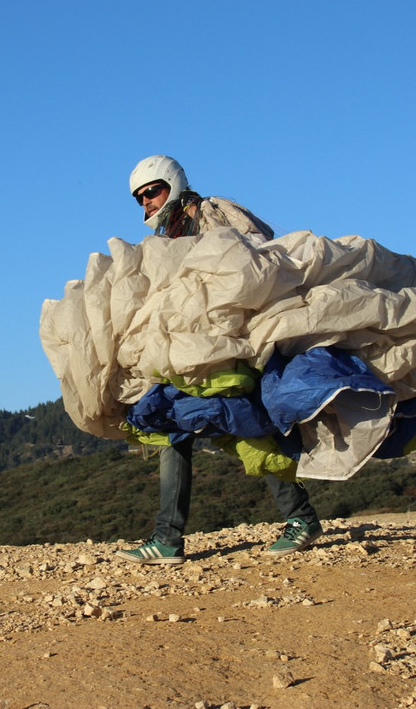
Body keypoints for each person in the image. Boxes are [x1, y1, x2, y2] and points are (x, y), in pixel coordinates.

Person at [115, 154, 323, 565]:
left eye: (151, 192)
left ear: (171, 183)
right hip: (191, 347)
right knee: (170, 421)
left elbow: (249, 260)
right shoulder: (166, 233)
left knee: (247, 423)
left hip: (231, 341)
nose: (146, 204)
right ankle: (167, 538)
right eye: (139, 198)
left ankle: (301, 517)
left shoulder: (211, 212)